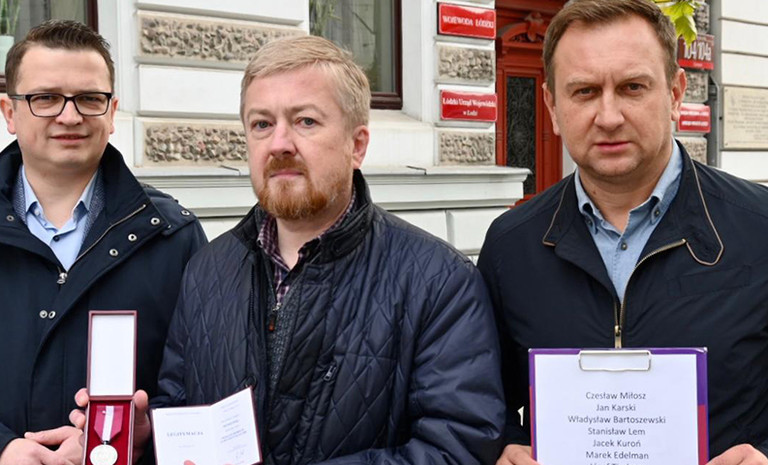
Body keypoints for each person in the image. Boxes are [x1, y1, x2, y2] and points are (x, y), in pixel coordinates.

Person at [128, 34, 504, 465]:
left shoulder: (440, 282)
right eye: (262, 124)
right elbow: (180, 407)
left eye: (305, 121)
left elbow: (457, 448)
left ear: (357, 145)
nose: (279, 144)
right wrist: (149, 437)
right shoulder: (206, 271)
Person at [477, 1, 768, 465]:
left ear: (675, 93)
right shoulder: (511, 246)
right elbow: (484, 401)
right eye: (585, 91)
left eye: (632, 87)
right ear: (552, 106)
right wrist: (502, 448)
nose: (608, 116)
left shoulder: (758, 228)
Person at [0, 20, 206, 465]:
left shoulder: (174, 237)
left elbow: (200, 386)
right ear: (9, 112)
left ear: (111, 112)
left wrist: (142, 436)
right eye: (45, 98)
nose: (69, 116)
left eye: (89, 98)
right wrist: (3, 448)